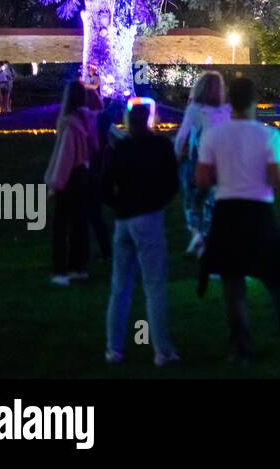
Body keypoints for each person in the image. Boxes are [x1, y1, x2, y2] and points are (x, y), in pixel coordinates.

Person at [197, 77, 280, 363]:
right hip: (258, 215)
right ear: (254, 102)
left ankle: (240, 350)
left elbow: (201, 179)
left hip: (226, 214)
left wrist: (225, 175)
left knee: (232, 285)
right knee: (278, 280)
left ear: (229, 103)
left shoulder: (214, 136)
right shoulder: (269, 136)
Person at [101, 100, 180, 366]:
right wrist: (158, 202)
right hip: (148, 217)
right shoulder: (160, 146)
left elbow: (104, 186)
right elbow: (172, 181)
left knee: (120, 286)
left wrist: (120, 205)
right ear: (149, 119)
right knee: (154, 285)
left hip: (124, 220)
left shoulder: (121, 148)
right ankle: (162, 350)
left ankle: (114, 349)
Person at [45, 81, 98, 285]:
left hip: (69, 178)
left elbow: (64, 157)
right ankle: (80, 267)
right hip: (84, 175)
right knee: (79, 224)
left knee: (60, 226)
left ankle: (60, 271)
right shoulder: (88, 120)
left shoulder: (69, 124)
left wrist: (55, 185)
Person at [173, 71, 230, 258]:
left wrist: (176, 155)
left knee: (191, 200)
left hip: (198, 161)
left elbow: (182, 136)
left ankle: (196, 233)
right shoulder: (225, 110)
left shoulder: (194, 109)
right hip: (220, 163)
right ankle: (206, 238)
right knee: (211, 203)